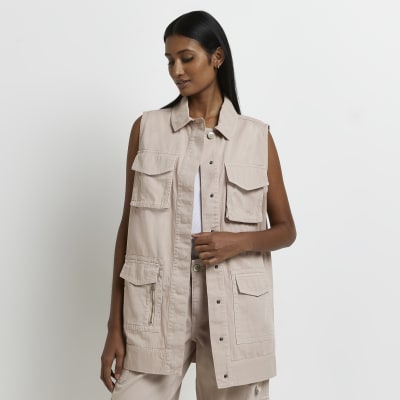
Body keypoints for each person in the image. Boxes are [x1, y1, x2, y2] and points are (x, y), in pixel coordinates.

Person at [100, 10, 296, 400]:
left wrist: (236, 242)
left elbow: (286, 230)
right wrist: (114, 328)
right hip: (155, 306)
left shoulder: (256, 137)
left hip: (236, 308)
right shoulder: (147, 129)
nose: (176, 70)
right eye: (170, 60)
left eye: (186, 58)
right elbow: (128, 229)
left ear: (217, 57)